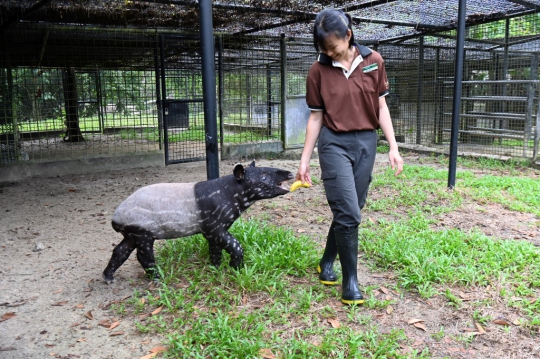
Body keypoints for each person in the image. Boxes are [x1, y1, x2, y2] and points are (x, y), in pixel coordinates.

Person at [296, 8, 404, 305]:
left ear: (348, 35)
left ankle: (326, 261)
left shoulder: (374, 61)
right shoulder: (318, 71)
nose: (329, 53)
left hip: (366, 143)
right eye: (323, 49)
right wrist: (304, 159)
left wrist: (393, 147)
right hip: (334, 144)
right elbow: (316, 118)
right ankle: (350, 281)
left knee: (351, 209)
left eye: (333, 46)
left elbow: (381, 108)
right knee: (349, 212)